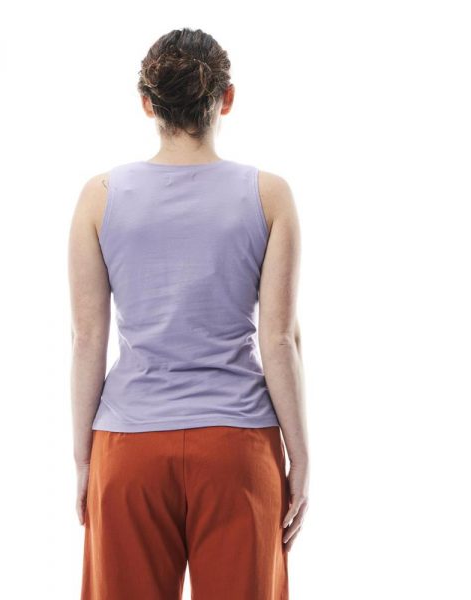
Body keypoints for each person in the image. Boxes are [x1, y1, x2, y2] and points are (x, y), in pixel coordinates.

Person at [68, 27, 309, 600]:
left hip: (128, 448)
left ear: (147, 104)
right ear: (227, 99)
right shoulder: (269, 195)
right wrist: (300, 458)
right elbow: (279, 340)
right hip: (237, 447)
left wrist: (84, 460)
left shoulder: (100, 196)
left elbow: (86, 339)